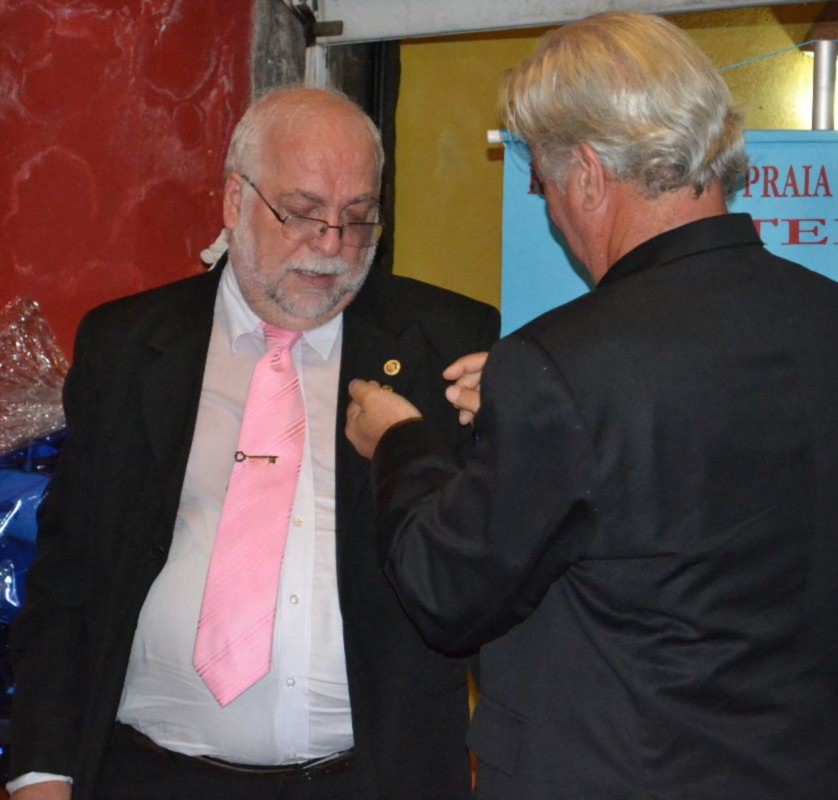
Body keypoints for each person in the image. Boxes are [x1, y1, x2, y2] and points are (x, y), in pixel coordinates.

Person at [346, 12, 838, 800]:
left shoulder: (565, 366)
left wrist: (402, 443)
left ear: (590, 174)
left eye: (542, 181)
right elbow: (689, 475)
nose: (548, 207)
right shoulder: (833, 319)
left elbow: (447, 596)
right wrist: (532, 407)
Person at [9, 85, 499, 800]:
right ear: (235, 199)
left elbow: (487, 572)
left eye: (357, 218)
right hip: (150, 775)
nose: (331, 245)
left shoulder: (447, 345)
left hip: (369, 780)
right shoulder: (128, 345)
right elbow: (69, 574)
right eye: (301, 213)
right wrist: (41, 770)